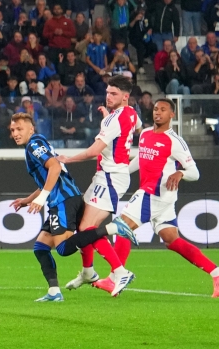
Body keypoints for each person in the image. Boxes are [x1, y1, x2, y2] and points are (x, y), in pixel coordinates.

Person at [8, 113, 137, 301]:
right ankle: (54, 291)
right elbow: (49, 175)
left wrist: (41, 198)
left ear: (31, 129)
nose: (15, 133)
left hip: (62, 200)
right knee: (41, 247)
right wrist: (29, 199)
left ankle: (113, 228)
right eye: (12, 130)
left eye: (19, 129)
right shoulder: (38, 143)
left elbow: (55, 168)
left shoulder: (34, 144)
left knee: (63, 249)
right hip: (67, 197)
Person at [114, 99, 219, 297]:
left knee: (121, 226)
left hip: (156, 193)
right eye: (156, 109)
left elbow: (195, 172)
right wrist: (121, 171)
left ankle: (115, 275)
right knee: (171, 239)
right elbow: (141, 159)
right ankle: (218, 273)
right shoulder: (146, 134)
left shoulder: (175, 141)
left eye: (163, 109)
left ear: (172, 115)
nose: (158, 112)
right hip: (159, 196)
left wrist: (181, 173)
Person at [56, 75, 141, 294]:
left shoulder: (114, 120)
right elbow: (137, 126)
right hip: (107, 176)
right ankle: (87, 272)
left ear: (125, 96)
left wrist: (68, 159)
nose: (108, 97)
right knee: (81, 225)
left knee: (87, 229)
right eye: (107, 92)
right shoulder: (130, 113)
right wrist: (108, 115)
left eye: (114, 94)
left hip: (110, 178)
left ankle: (120, 272)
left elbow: (94, 151)